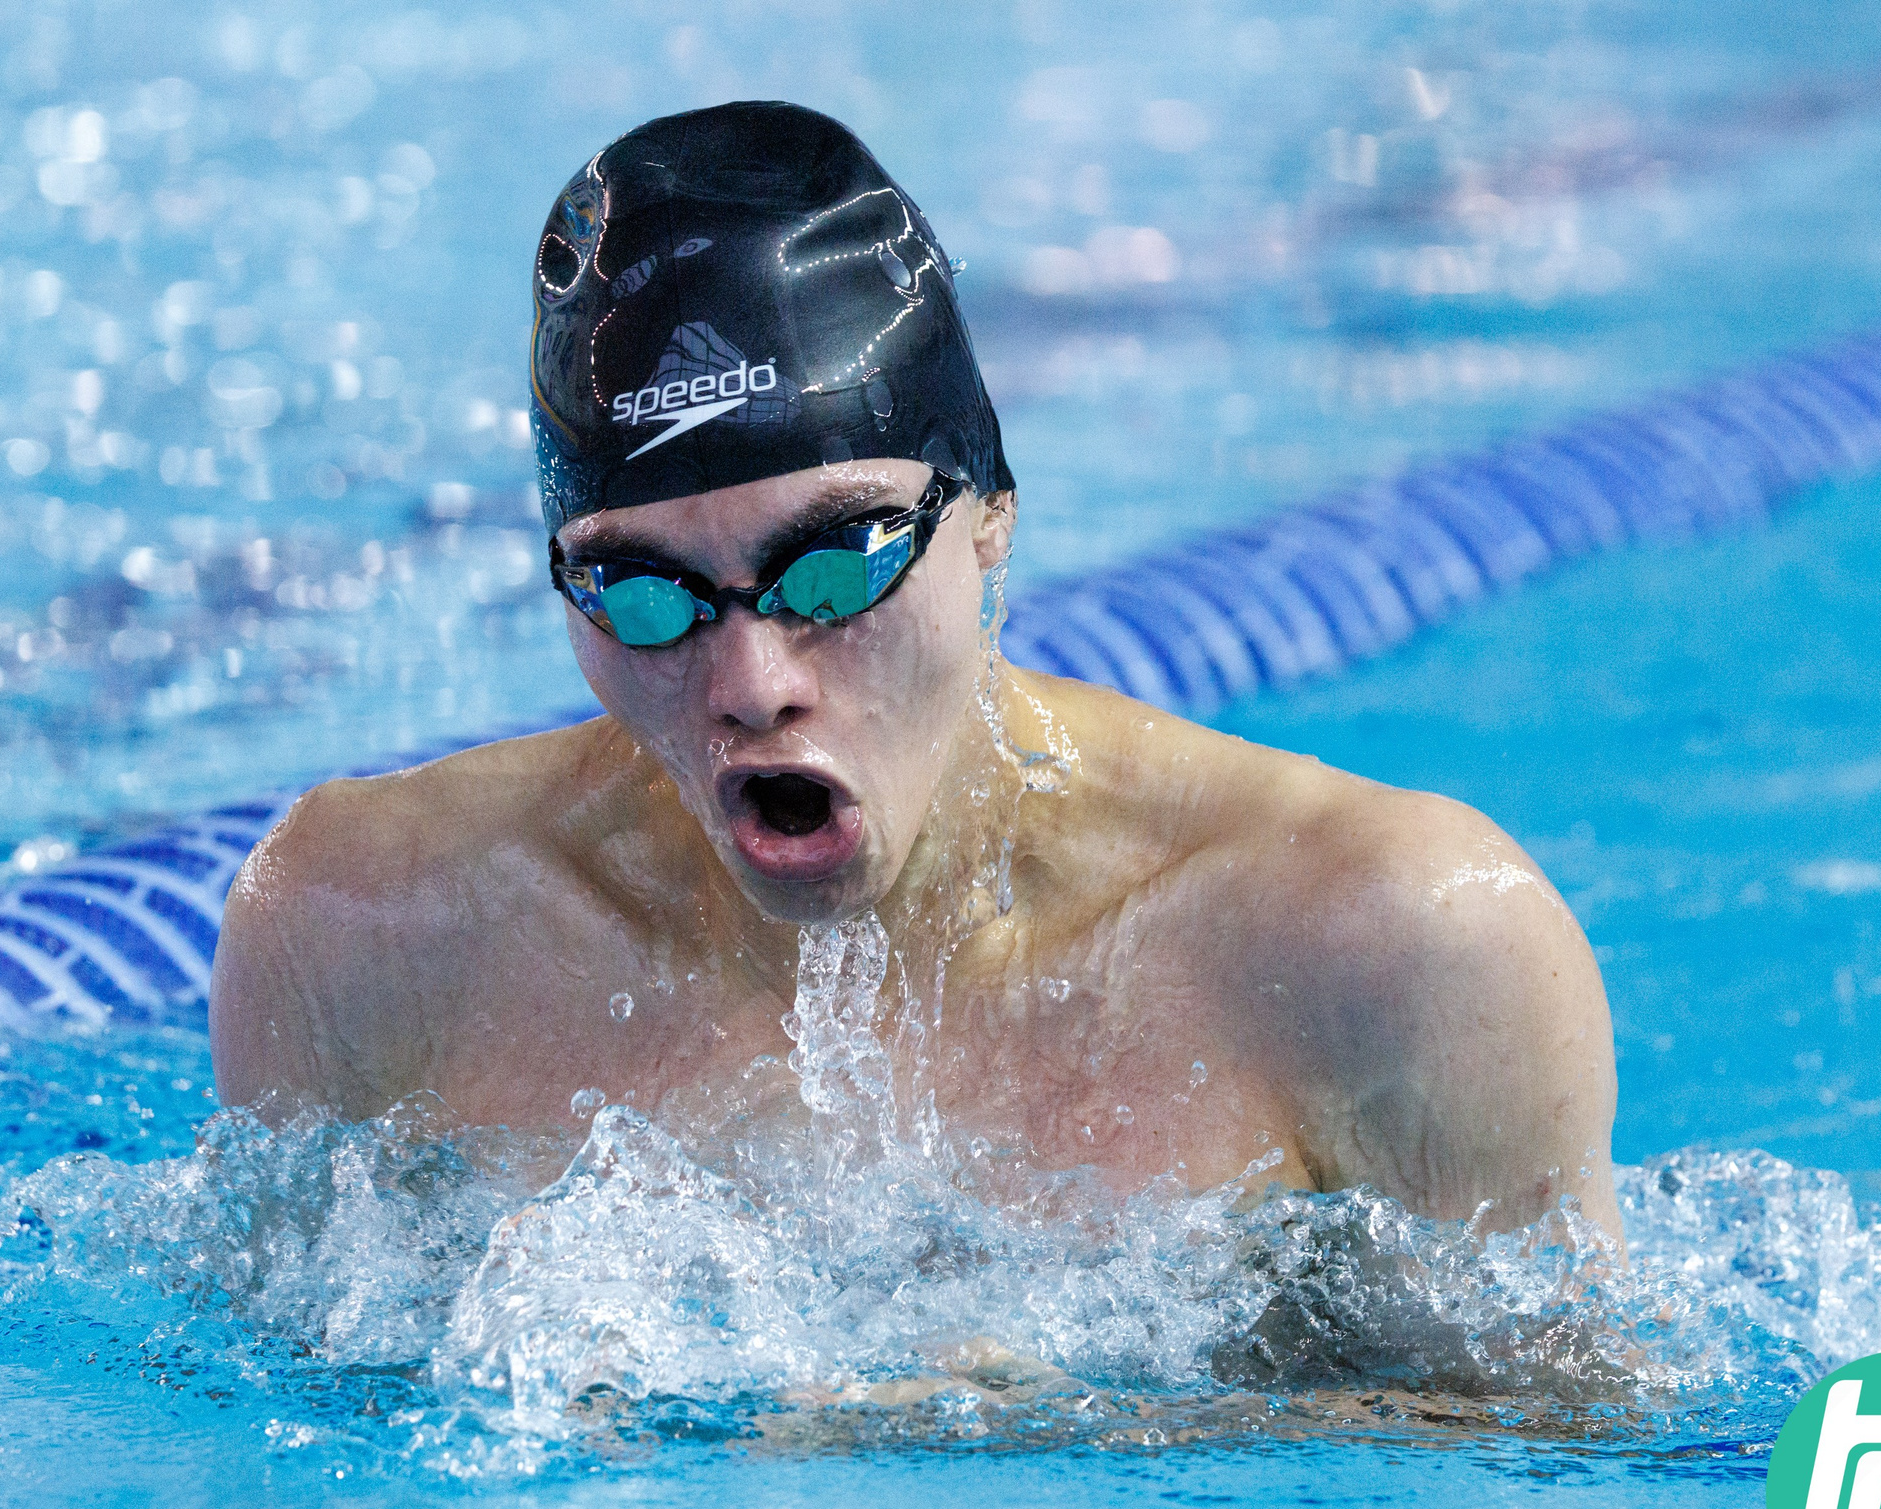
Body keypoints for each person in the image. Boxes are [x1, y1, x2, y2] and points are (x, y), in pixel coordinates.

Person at [211, 101, 1621, 1242]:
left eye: (835, 567)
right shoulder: (364, 933)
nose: (753, 677)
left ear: (992, 516)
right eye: (644, 597)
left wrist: (1029, 1417)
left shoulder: (1395, 942)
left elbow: (1555, 1463)